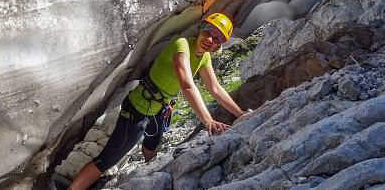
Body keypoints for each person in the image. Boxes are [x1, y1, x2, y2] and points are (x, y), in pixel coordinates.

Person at [68, 12, 249, 190]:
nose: (210, 39)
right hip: (137, 108)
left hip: (159, 109)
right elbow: (186, 84)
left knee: (152, 144)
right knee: (109, 158)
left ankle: (149, 172)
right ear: (201, 28)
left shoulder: (204, 57)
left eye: (217, 39)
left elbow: (215, 88)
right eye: (209, 32)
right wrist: (208, 120)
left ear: (219, 45)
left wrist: (240, 114)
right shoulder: (182, 45)